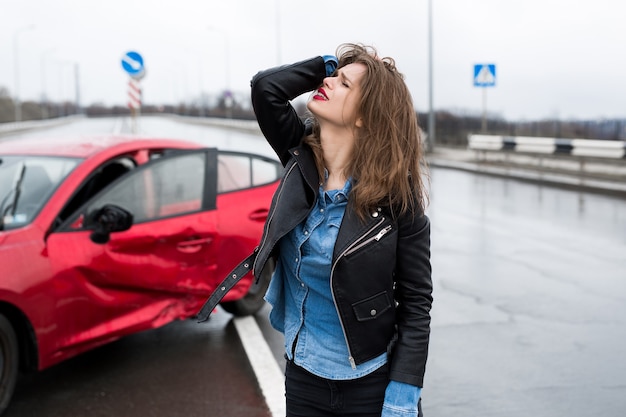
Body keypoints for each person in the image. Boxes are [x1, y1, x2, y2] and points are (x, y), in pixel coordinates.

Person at [250, 43, 432, 417]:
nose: (328, 82)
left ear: (365, 116)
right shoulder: (298, 159)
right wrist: (332, 63)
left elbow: (416, 304)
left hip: (369, 383)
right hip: (302, 375)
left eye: (344, 84)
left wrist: (402, 395)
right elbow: (265, 87)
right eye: (333, 77)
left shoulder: (398, 201)